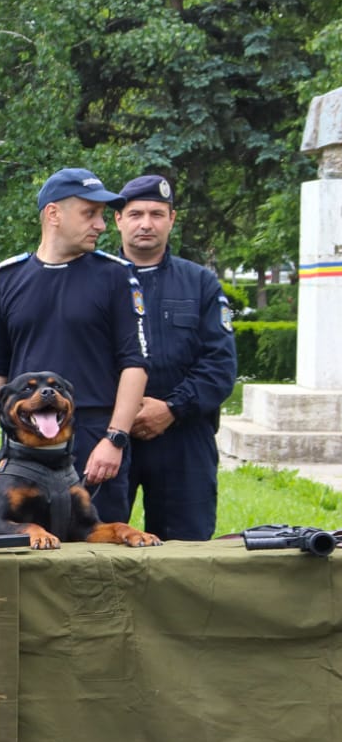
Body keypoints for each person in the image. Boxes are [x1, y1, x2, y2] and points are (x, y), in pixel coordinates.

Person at [0, 168, 148, 524]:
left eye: (102, 215)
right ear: (53, 214)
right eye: (90, 213)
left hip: (93, 438)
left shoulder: (114, 276)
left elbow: (135, 364)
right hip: (24, 441)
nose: (101, 225)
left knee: (100, 547)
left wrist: (114, 439)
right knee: (22, 544)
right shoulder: (8, 278)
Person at [111, 174, 237, 540]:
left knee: (186, 550)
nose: (146, 224)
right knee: (99, 545)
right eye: (135, 214)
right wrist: (123, 416)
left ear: (172, 219)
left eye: (156, 214)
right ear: (118, 219)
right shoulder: (96, 280)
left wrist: (171, 408)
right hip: (110, 435)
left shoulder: (200, 283)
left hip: (183, 436)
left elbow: (220, 365)